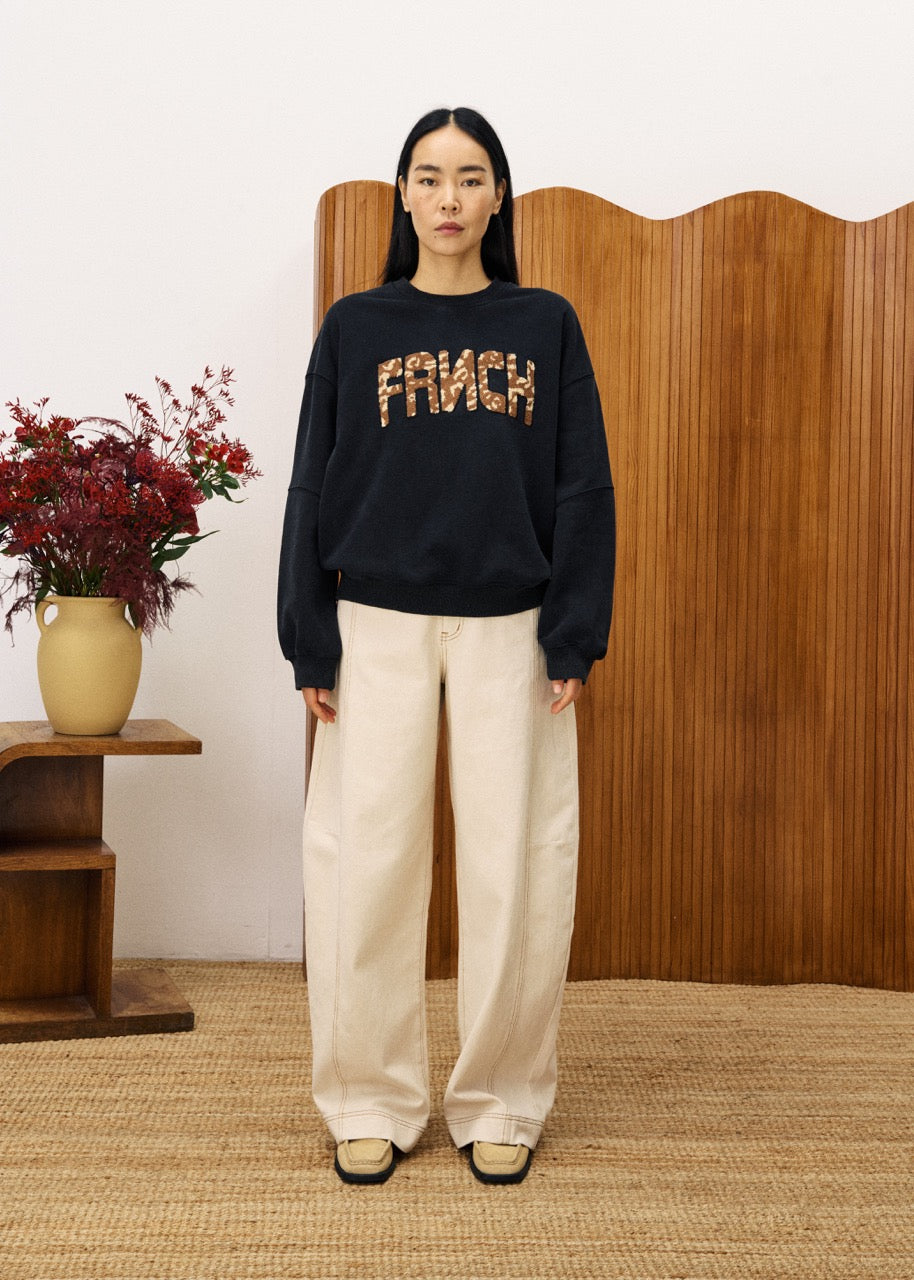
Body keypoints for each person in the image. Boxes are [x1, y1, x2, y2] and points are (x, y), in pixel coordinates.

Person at [278, 106, 615, 1186]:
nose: (449, 198)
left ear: (498, 195)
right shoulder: (356, 327)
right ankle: (367, 1096)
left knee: (518, 862)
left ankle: (501, 1096)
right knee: (362, 862)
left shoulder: (543, 324)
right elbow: (309, 482)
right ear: (403, 195)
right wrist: (309, 640)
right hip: (374, 621)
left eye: (470, 177)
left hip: (512, 626)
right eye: (428, 177)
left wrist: (573, 632)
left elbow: (581, 484)